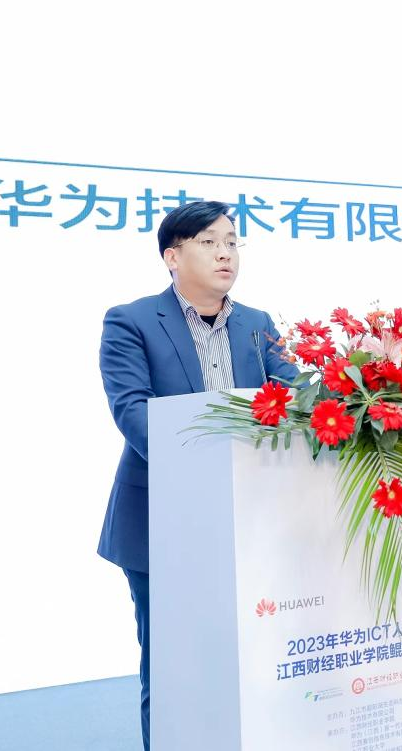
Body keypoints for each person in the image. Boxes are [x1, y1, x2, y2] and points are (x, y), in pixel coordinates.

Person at [96, 200, 298, 750]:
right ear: (172, 256)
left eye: (232, 242)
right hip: (163, 523)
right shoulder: (132, 320)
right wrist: (212, 462)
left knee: (247, 659)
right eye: (209, 242)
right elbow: (133, 412)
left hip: (249, 523)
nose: (225, 253)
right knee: (172, 668)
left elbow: (294, 394)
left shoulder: (257, 324)